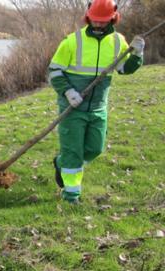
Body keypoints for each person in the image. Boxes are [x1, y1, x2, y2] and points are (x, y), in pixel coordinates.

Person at [48, 0, 143, 204]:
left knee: (95, 149)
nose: (98, 25)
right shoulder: (72, 41)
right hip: (72, 108)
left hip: (98, 107)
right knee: (73, 152)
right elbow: (54, 71)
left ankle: (61, 162)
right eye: (94, 20)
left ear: (113, 18)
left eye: (102, 21)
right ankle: (71, 195)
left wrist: (137, 54)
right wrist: (68, 92)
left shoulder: (118, 41)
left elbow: (125, 69)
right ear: (88, 16)